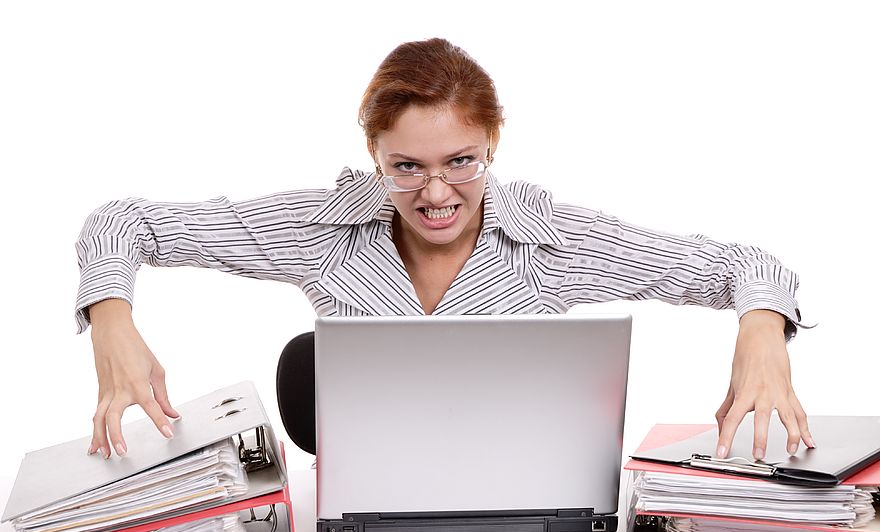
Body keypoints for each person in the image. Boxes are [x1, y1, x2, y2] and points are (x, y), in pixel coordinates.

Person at [76, 37, 812, 463]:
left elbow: (748, 266)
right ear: (375, 155)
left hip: (529, 527)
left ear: (493, 143)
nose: (435, 193)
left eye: (462, 161)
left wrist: (760, 333)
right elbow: (122, 221)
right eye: (406, 168)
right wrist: (111, 319)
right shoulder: (324, 230)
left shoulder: (547, 242)